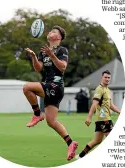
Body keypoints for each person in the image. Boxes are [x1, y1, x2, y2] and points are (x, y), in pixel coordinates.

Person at [23, 25, 78, 160]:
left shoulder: (62, 50)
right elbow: (38, 69)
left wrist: (52, 55)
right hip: (49, 86)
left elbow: (63, 67)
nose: (50, 32)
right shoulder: (43, 51)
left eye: (54, 31)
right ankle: (70, 143)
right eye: (50, 31)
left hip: (56, 86)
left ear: (58, 37)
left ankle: (37, 114)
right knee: (51, 121)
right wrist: (34, 57)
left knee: (27, 87)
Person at [75, 70, 121, 159]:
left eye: (108, 78)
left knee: (97, 140)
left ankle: (80, 156)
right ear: (102, 78)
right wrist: (89, 117)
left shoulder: (108, 90)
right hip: (104, 119)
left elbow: (111, 105)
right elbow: (94, 103)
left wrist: (120, 112)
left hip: (102, 120)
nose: (107, 79)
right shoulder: (99, 89)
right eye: (105, 77)